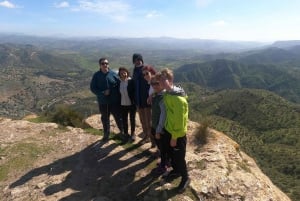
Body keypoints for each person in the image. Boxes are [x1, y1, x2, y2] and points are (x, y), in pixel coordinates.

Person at [159, 68, 190, 193]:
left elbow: (181, 121)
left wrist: (174, 137)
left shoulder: (178, 99)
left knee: (179, 157)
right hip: (168, 130)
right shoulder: (167, 94)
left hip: (177, 134)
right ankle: (176, 171)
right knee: (171, 154)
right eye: (160, 80)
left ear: (171, 80)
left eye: (163, 80)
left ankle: (185, 178)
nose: (161, 82)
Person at [90, 57, 124, 142]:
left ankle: (123, 132)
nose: (105, 65)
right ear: (100, 65)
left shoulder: (113, 74)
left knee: (118, 117)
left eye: (106, 63)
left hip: (114, 101)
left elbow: (120, 84)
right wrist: (102, 93)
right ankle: (106, 134)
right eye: (103, 63)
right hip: (103, 102)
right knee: (105, 118)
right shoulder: (96, 75)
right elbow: (93, 88)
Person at [131, 53, 154, 147]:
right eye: (136, 59)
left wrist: (152, 95)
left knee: (149, 121)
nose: (138, 61)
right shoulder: (135, 70)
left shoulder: (147, 68)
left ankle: (153, 141)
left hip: (147, 100)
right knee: (142, 121)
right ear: (134, 61)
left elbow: (155, 79)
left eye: (139, 59)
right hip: (139, 100)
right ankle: (146, 136)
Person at [150, 73, 169, 175]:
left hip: (160, 128)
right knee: (161, 146)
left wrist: (158, 129)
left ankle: (164, 166)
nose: (154, 86)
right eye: (153, 83)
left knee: (162, 147)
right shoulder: (156, 95)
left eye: (157, 83)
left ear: (161, 83)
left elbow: (163, 115)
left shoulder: (163, 97)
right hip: (155, 125)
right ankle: (165, 162)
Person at [118, 67, 137, 142]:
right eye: (121, 73)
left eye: (124, 72)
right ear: (119, 74)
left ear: (127, 73)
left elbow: (134, 92)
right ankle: (126, 133)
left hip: (131, 104)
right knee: (124, 120)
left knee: (132, 119)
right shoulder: (119, 82)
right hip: (122, 104)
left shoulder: (131, 81)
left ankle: (132, 133)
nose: (123, 74)